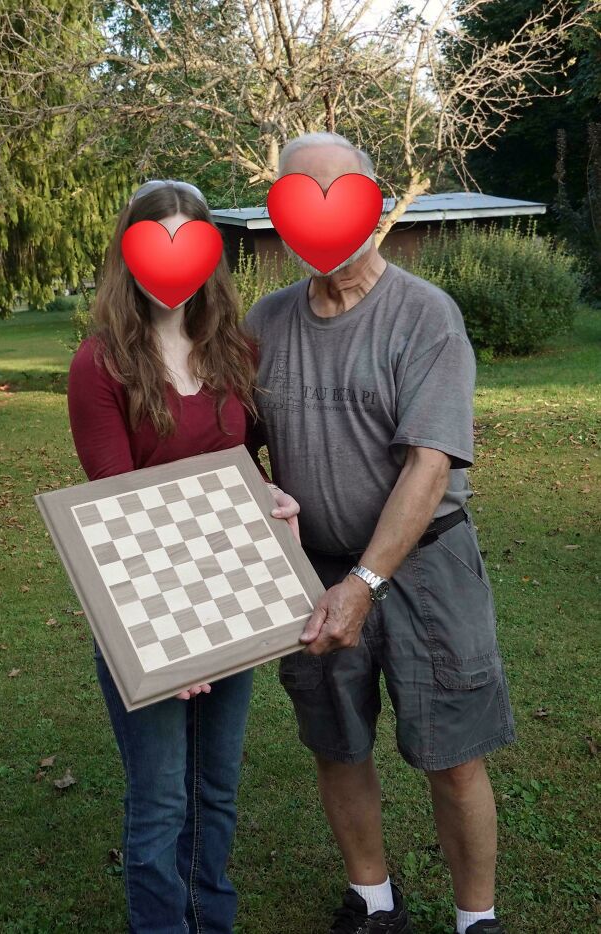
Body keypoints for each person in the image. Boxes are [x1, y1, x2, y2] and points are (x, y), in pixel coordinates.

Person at [243, 133, 516, 934]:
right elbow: (238, 440)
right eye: (298, 198)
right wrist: (251, 488)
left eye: (336, 194)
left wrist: (365, 583)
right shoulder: (267, 321)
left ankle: (477, 920)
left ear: (372, 198)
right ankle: (372, 901)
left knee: (454, 753)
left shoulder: (425, 314)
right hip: (314, 571)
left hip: (426, 570)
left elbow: (429, 465)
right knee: (338, 742)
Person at [67, 178, 299, 934]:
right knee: (161, 798)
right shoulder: (100, 364)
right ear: (127, 257)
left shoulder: (235, 350)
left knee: (218, 789)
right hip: (146, 606)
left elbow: (234, 463)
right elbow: (116, 503)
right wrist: (179, 642)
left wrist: (272, 501)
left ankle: (212, 921)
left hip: (234, 594)